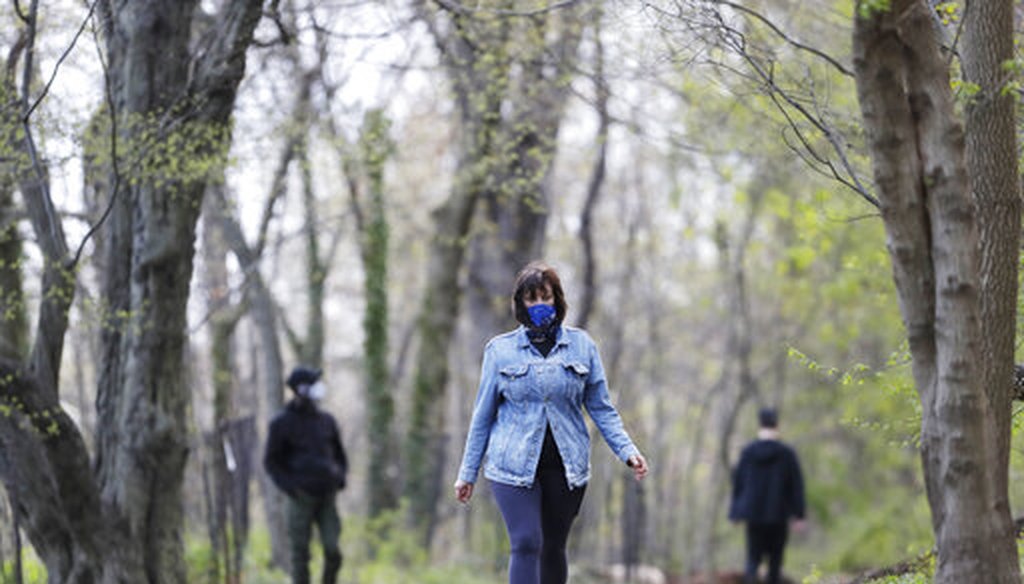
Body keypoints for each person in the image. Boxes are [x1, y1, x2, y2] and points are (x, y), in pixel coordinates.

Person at [454, 260, 649, 584]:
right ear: (521, 304)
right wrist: (467, 473)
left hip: (566, 466)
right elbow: (483, 415)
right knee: (527, 542)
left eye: (546, 297)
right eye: (532, 299)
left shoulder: (582, 346)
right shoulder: (499, 351)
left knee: (553, 547)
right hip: (511, 467)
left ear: (557, 299)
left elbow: (601, 408)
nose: (540, 305)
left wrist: (628, 450)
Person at [264, 365, 348, 584]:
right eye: (313, 384)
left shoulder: (327, 420)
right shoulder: (281, 423)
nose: (318, 388)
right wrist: (290, 486)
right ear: (300, 389)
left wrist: (339, 477)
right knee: (300, 556)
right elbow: (271, 461)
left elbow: (340, 454)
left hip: (327, 497)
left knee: (333, 550)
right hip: (300, 499)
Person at [729, 407, 806, 584]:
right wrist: (799, 514)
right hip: (778, 515)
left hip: (753, 516)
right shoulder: (787, 453)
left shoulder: (748, 452)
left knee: (752, 560)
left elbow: (738, 483)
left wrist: (735, 513)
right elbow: (796, 485)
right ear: (777, 425)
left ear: (760, 424)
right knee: (775, 563)